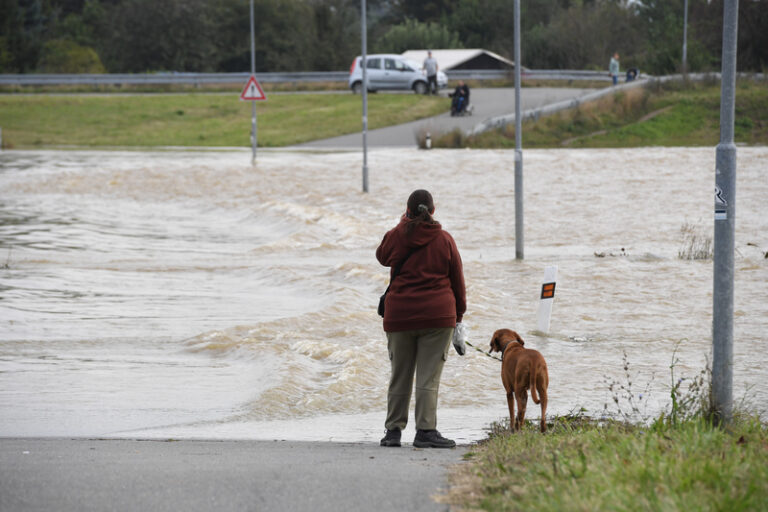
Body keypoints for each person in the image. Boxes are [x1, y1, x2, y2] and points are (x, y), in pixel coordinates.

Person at [376, 189, 466, 448]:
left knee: (399, 375)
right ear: (433, 210)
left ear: (408, 211)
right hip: (438, 317)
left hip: (400, 316)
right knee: (428, 377)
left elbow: (382, 255)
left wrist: (403, 224)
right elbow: (457, 282)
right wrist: (458, 316)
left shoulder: (397, 237)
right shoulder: (445, 240)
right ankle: (425, 432)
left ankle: (393, 432)